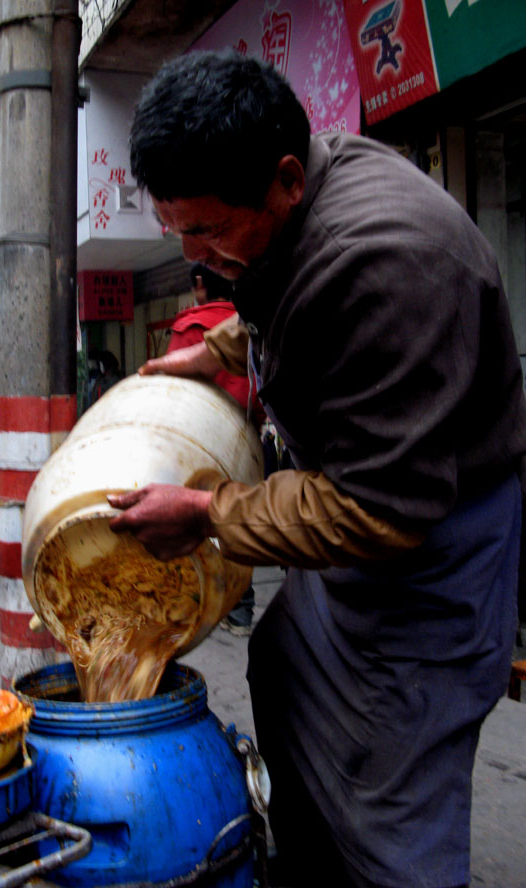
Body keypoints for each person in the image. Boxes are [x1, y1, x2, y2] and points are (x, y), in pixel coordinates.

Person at [107, 49, 526, 888]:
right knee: (285, 674)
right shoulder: (303, 178)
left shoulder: (386, 263)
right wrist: (222, 348)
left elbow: (381, 512)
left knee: (388, 798)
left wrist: (206, 512)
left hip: (427, 551)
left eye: (207, 230)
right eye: (177, 230)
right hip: (356, 527)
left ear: (285, 181)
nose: (195, 257)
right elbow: (286, 298)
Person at [168, 261, 261, 635]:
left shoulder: (189, 327)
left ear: (201, 284)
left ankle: (202, 606)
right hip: (246, 439)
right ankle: (241, 609)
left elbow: (172, 395)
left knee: (198, 523)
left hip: (197, 445)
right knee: (245, 518)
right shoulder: (249, 323)